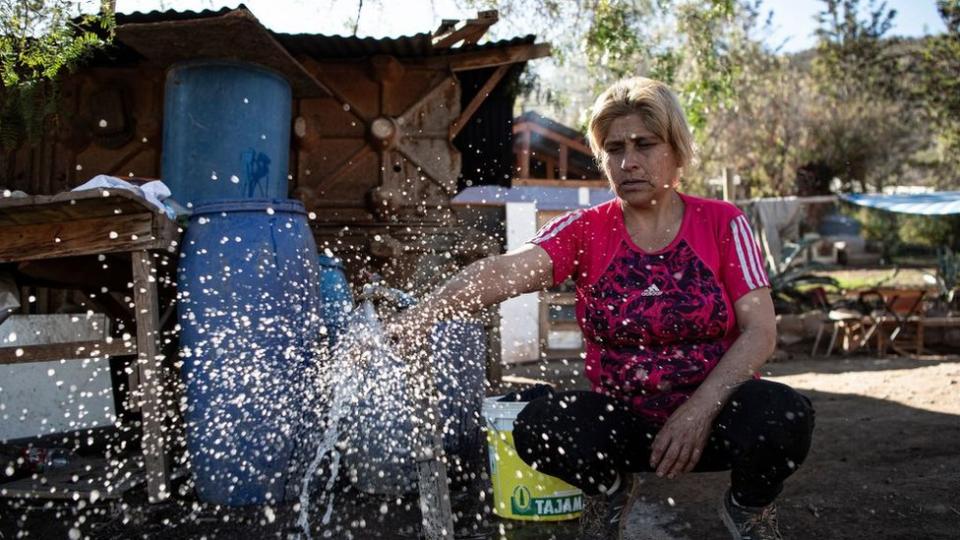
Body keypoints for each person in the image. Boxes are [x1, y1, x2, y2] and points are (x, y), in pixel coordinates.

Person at [393, 77, 814, 540]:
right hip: (624, 423)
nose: (628, 162)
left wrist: (697, 411)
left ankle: (747, 508)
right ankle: (609, 491)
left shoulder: (721, 222)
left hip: (714, 416)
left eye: (645, 144)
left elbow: (760, 332)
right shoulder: (584, 230)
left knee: (785, 415)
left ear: (676, 150)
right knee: (539, 425)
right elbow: (501, 273)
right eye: (614, 149)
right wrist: (421, 316)